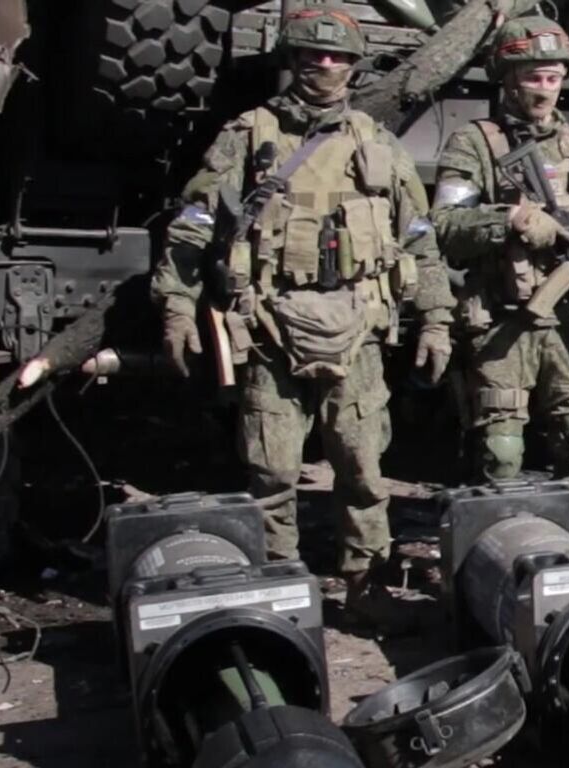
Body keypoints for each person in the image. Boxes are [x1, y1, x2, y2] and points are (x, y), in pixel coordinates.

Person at [153, 6, 454, 615]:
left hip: (359, 330)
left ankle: (366, 588)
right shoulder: (248, 136)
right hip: (269, 326)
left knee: (364, 474)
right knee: (271, 474)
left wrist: (437, 318)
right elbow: (193, 227)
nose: (324, 66)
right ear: (291, 61)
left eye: (337, 56)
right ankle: (279, 590)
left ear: (353, 66)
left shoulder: (377, 144)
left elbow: (419, 236)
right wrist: (177, 309)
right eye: (311, 55)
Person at [430, 16, 569, 540]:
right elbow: (444, 227)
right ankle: (498, 552)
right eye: (533, 78)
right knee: (500, 451)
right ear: (506, 79)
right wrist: (511, 220)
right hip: (504, 324)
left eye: (553, 78)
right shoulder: (474, 145)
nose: (545, 90)